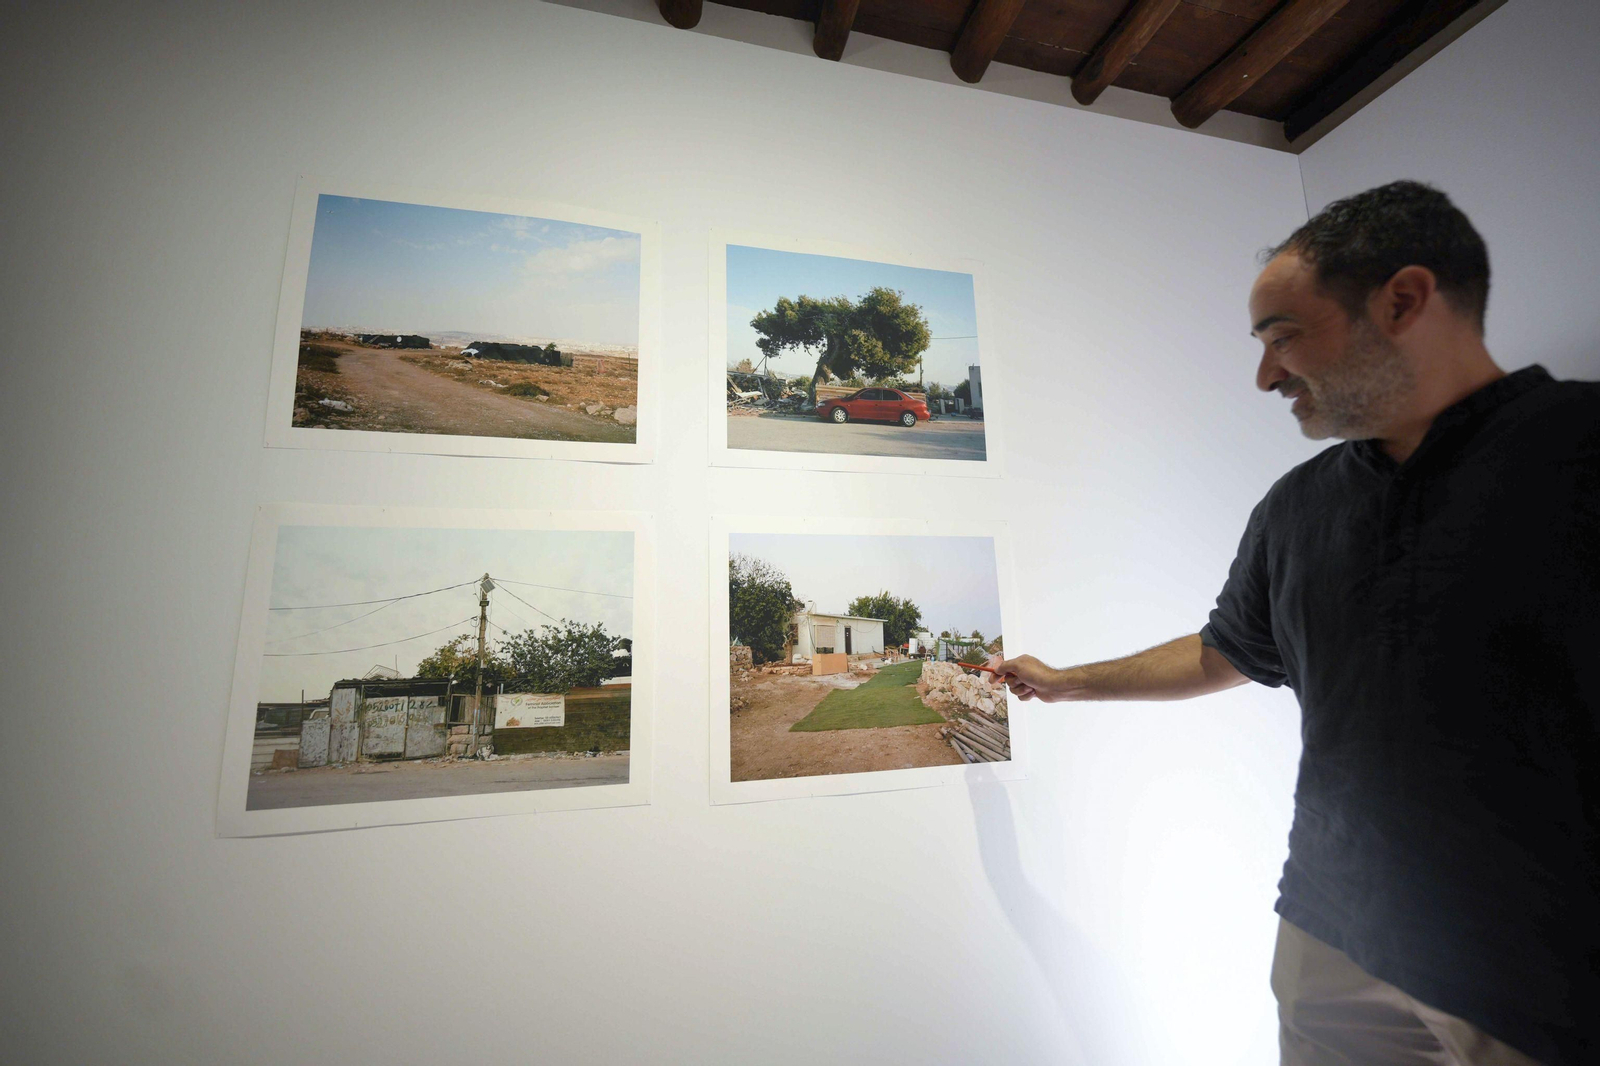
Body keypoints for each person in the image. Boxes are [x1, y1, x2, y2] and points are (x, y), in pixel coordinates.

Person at [997, 182, 1597, 1066]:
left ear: (1403, 301)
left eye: (1283, 335)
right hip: (1332, 937)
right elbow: (1224, 654)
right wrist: (1066, 681)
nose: (1266, 374)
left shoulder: (1579, 451)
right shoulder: (1298, 505)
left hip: (1542, 982)